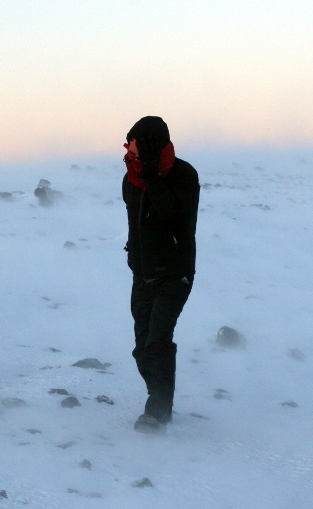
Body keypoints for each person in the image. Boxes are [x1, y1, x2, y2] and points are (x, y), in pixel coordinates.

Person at [122, 116, 200, 434]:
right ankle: (160, 397)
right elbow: (135, 225)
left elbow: (172, 214)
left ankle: (157, 411)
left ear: (153, 147)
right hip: (142, 275)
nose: (129, 153)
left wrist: (153, 176)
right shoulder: (131, 178)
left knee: (157, 342)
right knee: (142, 348)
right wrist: (133, 256)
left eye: (136, 148)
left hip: (175, 273)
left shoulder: (183, 175)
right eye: (128, 147)